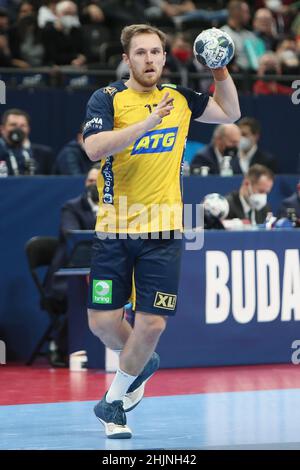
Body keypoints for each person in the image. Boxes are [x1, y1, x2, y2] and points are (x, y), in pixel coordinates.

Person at [83, 23, 240, 439]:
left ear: (165, 58)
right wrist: (148, 125)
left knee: (152, 325)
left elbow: (230, 113)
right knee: (101, 321)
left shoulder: (179, 99)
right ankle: (140, 362)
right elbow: (95, 148)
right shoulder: (108, 98)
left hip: (164, 230)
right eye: (140, 53)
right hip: (114, 228)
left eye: (156, 52)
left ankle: (113, 401)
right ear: (126, 58)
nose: (149, 60)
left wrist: (220, 70)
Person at [44, 165, 100, 365]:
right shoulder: (72, 207)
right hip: (68, 275)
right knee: (83, 293)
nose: (92, 185)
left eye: (97, 181)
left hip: (102, 272)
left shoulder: (117, 208)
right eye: (89, 181)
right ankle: (64, 346)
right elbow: (72, 235)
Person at [0, 108, 55, 175]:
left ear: (28, 129)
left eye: (22, 126)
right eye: (13, 125)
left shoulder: (43, 154)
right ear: (2, 129)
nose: (18, 129)